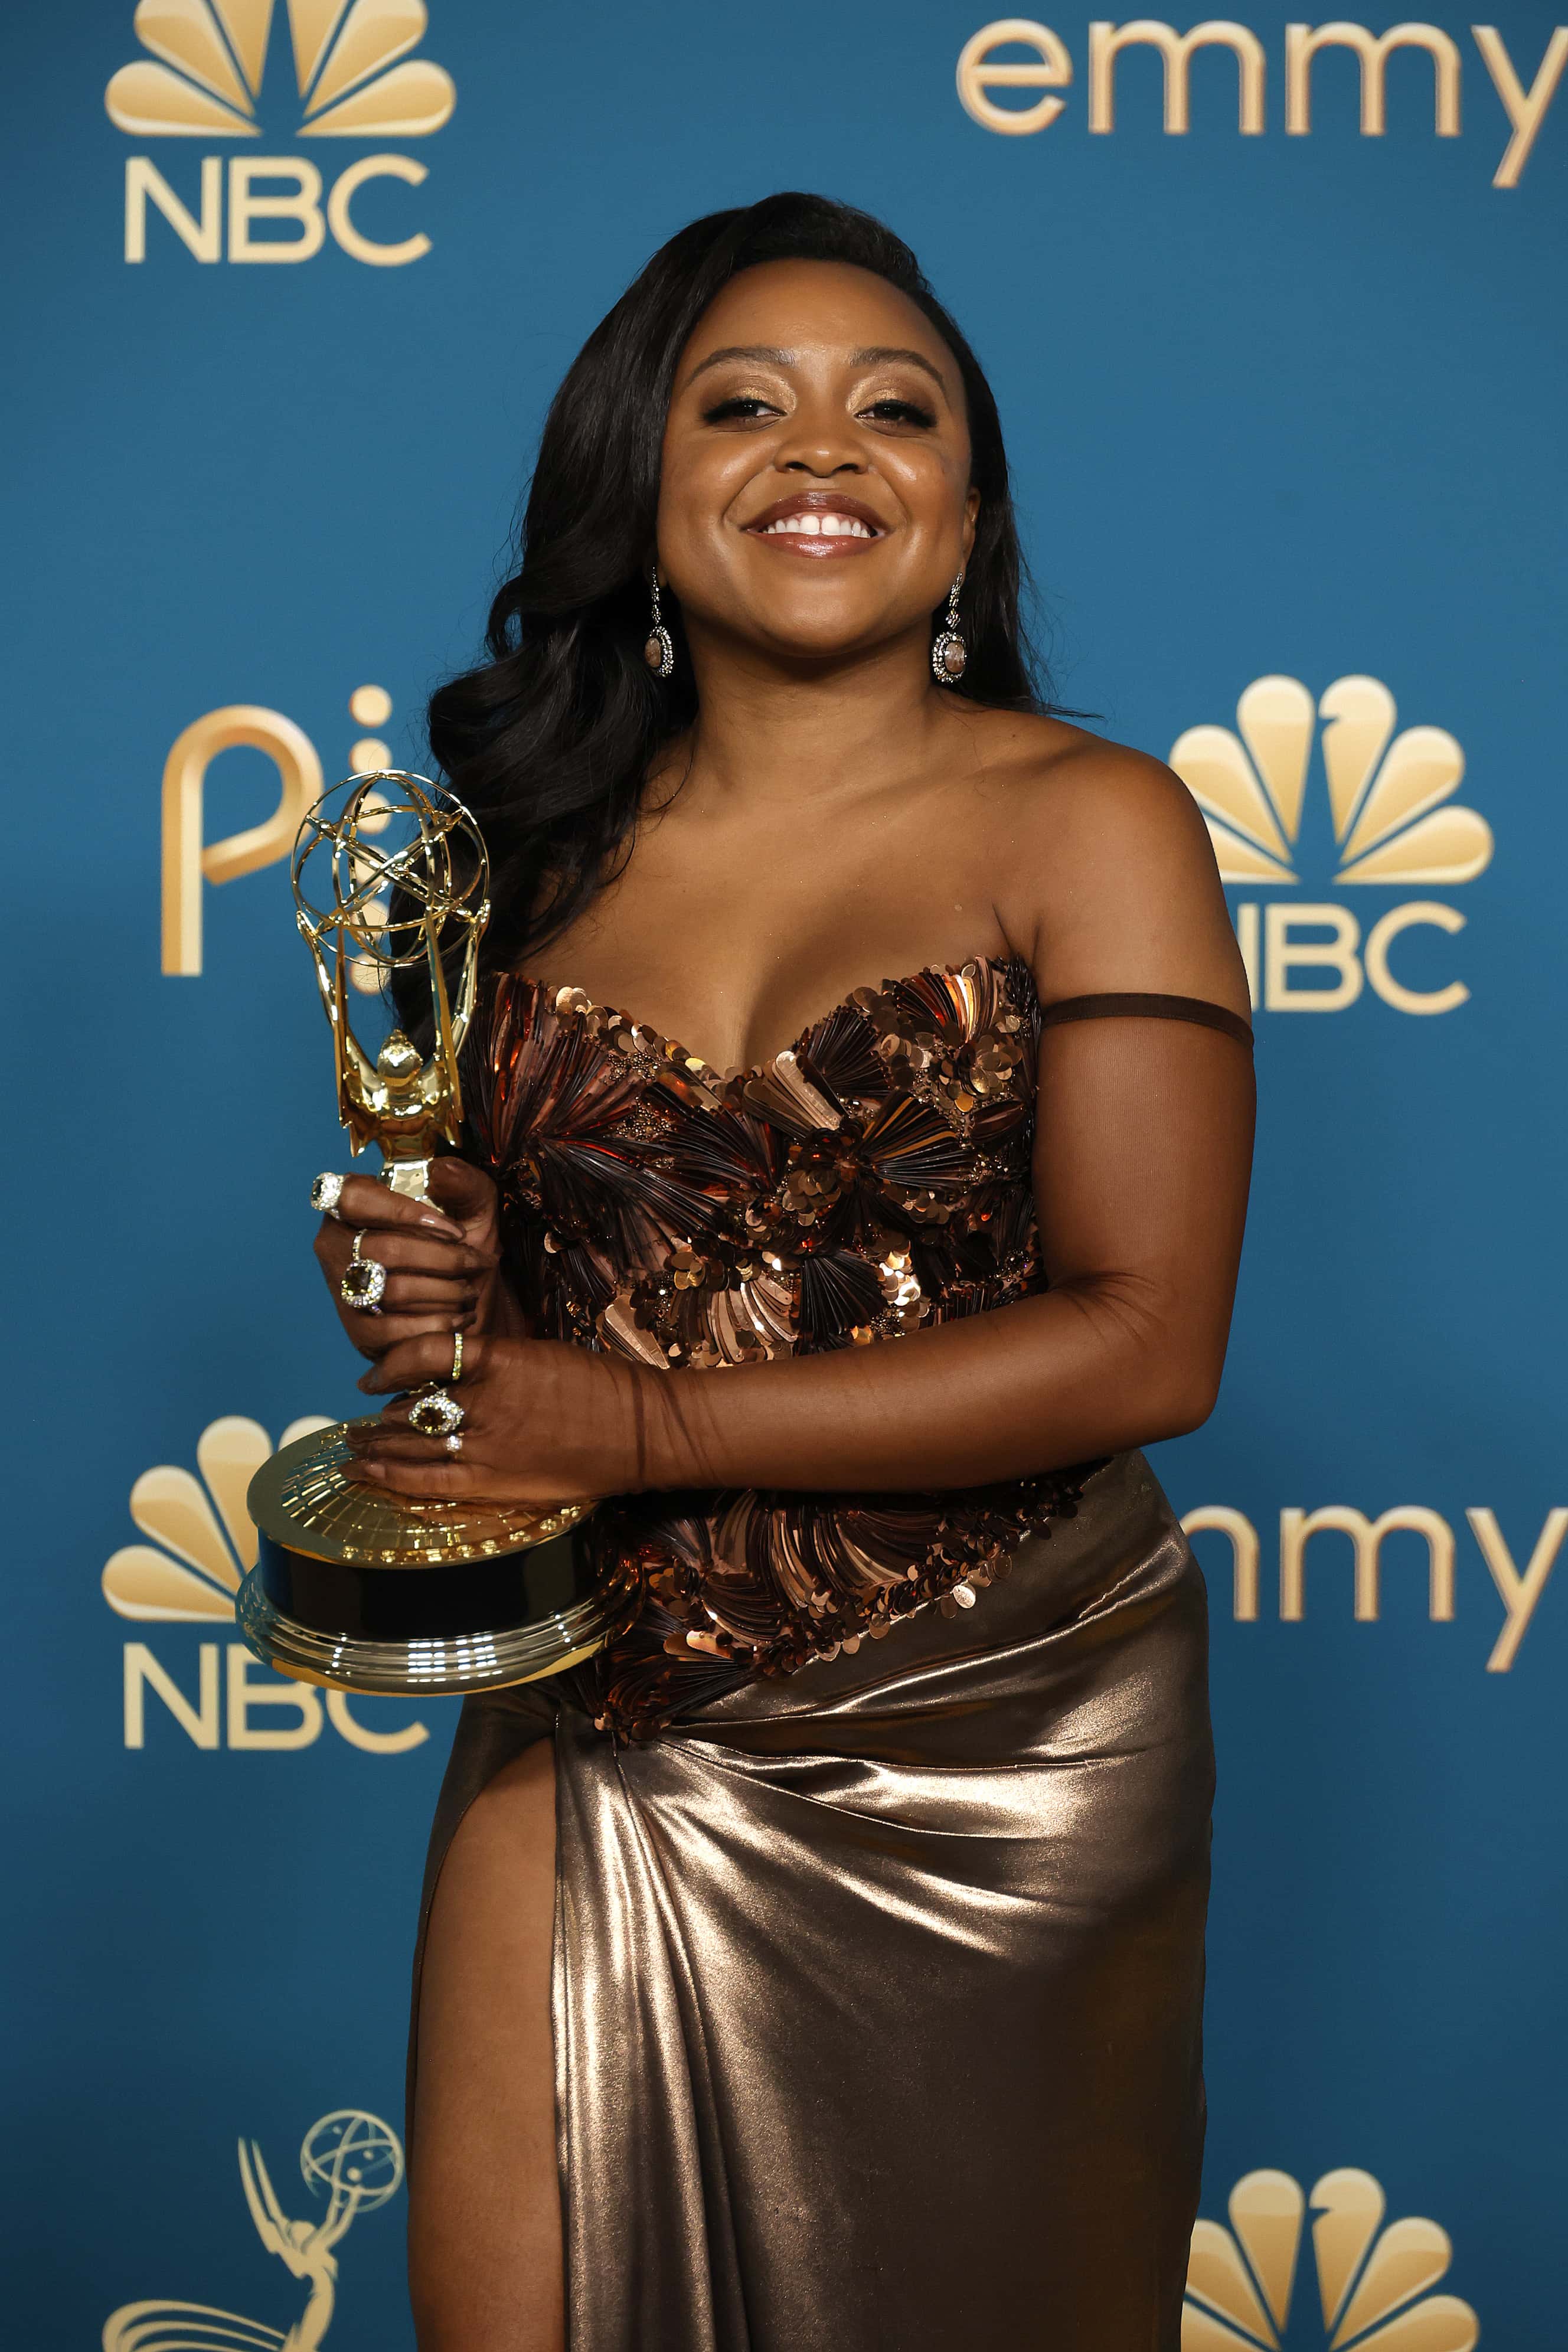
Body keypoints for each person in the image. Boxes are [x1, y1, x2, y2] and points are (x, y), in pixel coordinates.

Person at [311, 192, 1254, 2352]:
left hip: (999, 1734)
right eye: (744, 406)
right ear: (639, 496)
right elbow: (527, 1336)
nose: (823, 454)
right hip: (599, 1702)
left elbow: (1151, 1335)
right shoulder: (525, 865)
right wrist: (446, 1304)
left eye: (893, 410)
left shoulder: (1095, 821)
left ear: (968, 507)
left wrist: (635, 1421)